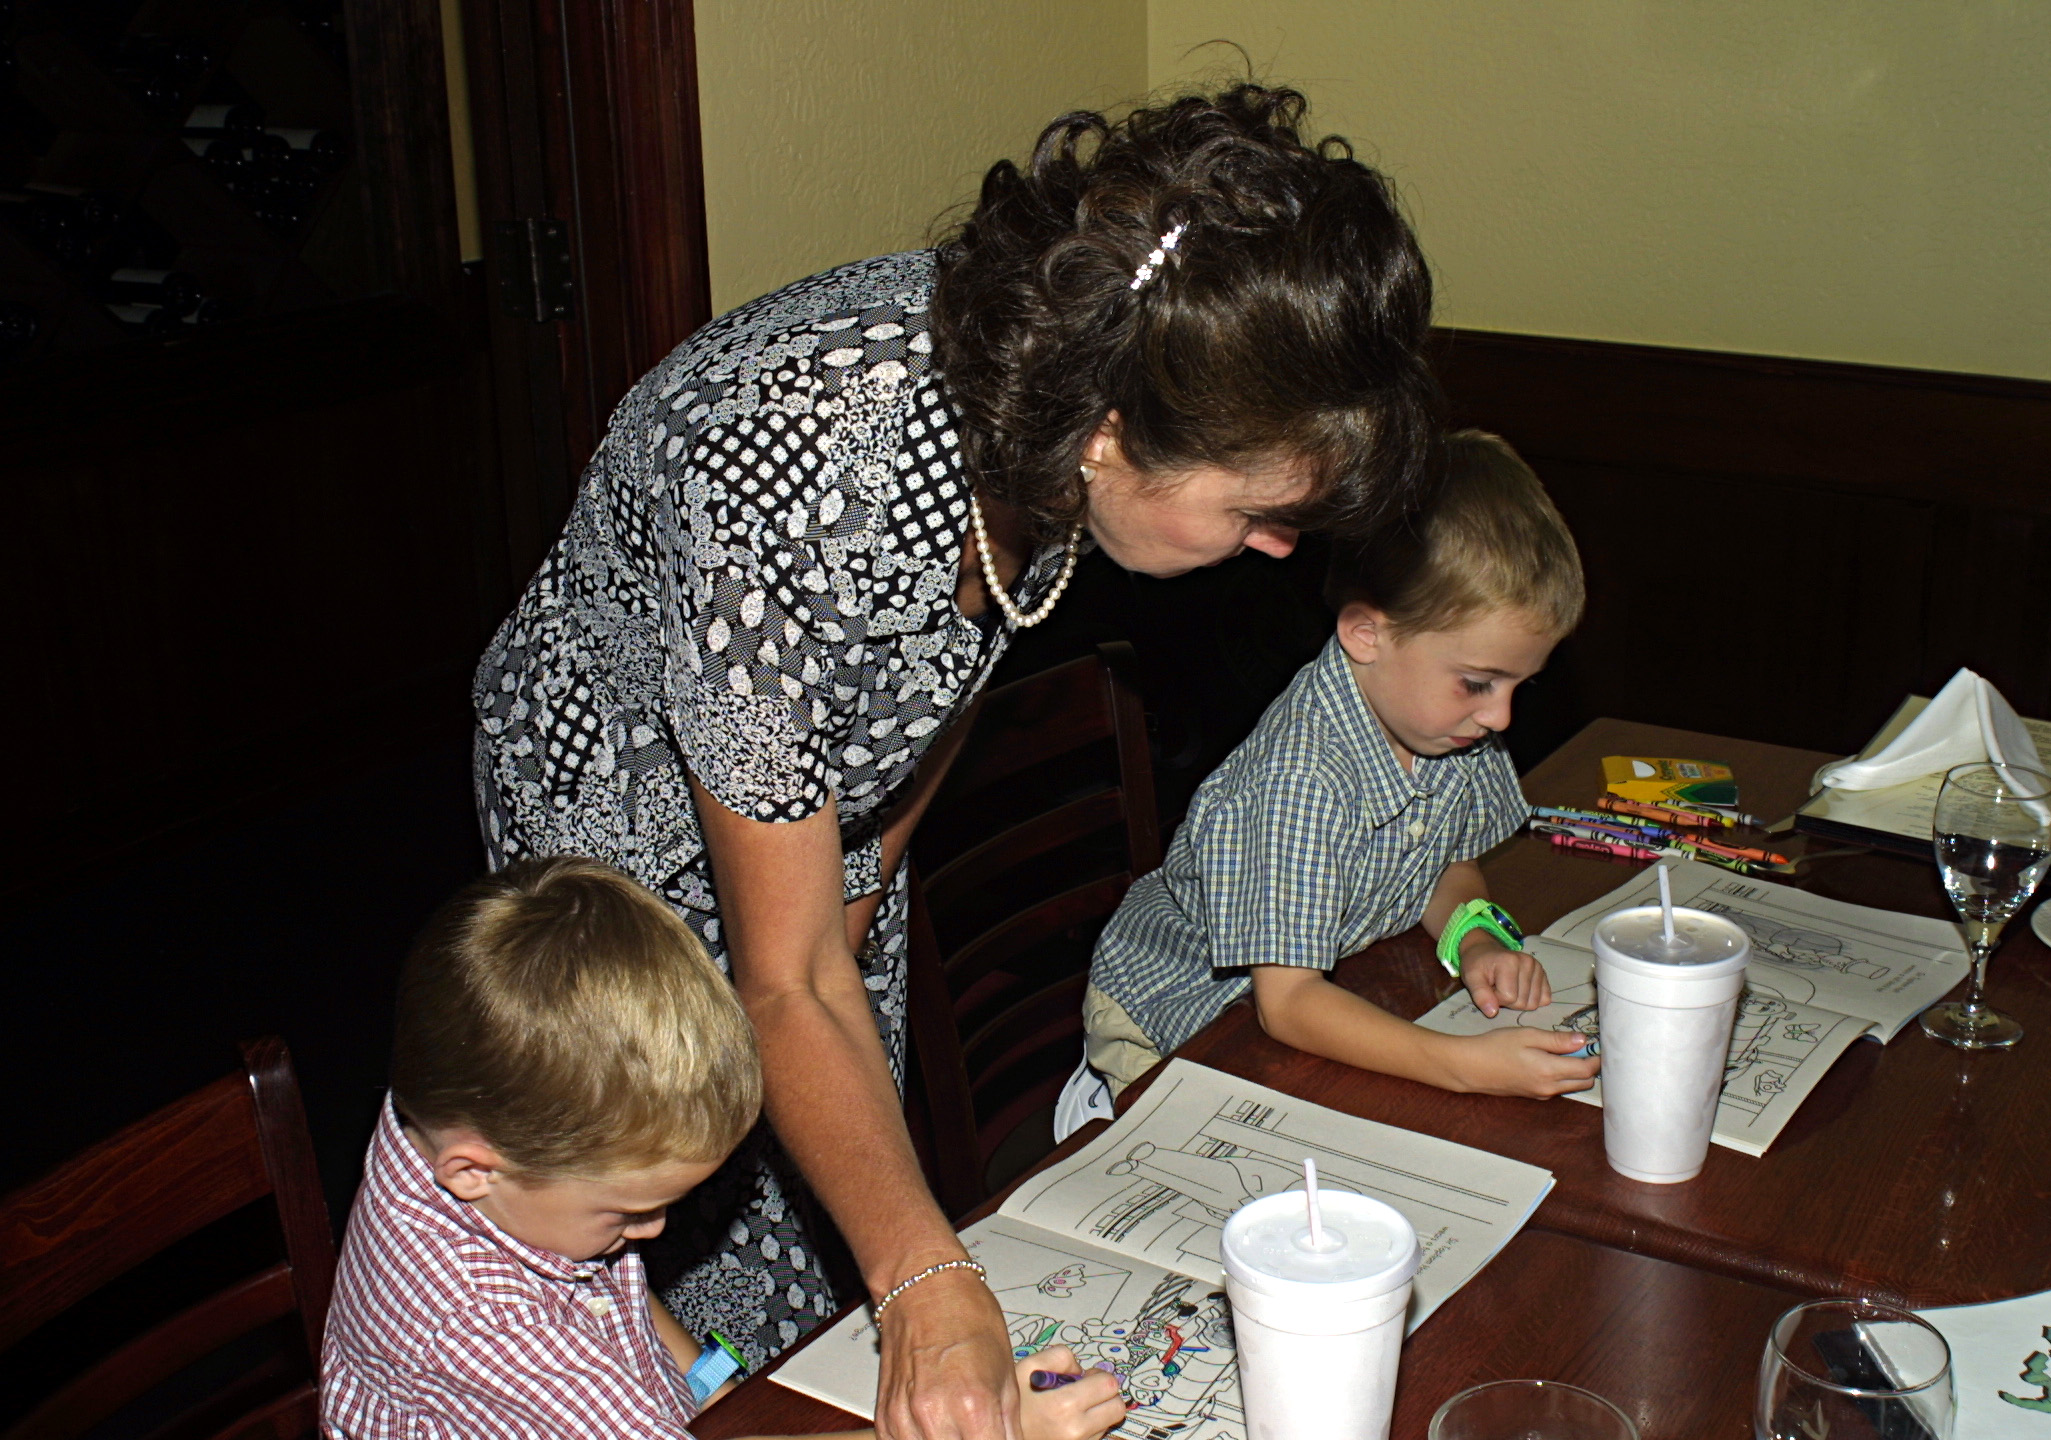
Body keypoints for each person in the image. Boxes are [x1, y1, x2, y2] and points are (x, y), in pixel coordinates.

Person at [471, 83, 1438, 1440]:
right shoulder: (788, 476)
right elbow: (784, 979)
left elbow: (969, 641)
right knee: (678, 1210)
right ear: (1113, 438)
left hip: (807, 789)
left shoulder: (1067, 380)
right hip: (617, 811)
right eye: (1259, 512)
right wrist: (925, 1280)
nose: (1280, 548)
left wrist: (876, 852)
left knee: (837, 1206)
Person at [321, 856, 1127, 1440]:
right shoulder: (485, 1334)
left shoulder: (456, 1117)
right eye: (628, 1213)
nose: (652, 1232)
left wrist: (715, 1386)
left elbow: (611, 1291)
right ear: (473, 1170)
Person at [1078, 432, 1604, 1104]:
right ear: (1366, 633)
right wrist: (1466, 1066)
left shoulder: (1446, 725)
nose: (1500, 717)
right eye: (1478, 682)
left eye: (1518, 686)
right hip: (1176, 1026)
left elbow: (1444, 864)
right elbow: (1289, 1004)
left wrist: (1475, 938)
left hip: (1325, 984)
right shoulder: (1296, 784)